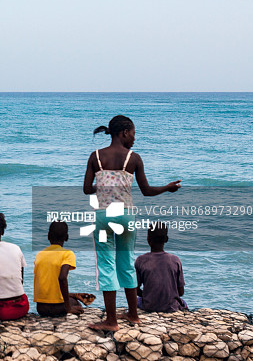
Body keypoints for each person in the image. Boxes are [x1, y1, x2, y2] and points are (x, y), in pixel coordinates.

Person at [84, 115, 181, 331]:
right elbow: (146, 191)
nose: (135, 139)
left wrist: (103, 186)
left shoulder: (95, 156)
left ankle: (111, 321)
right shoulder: (134, 158)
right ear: (125, 132)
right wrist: (168, 188)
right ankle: (133, 314)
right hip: (126, 215)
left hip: (103, 215)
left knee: (106, 265)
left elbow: (86, 189)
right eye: (134, 134)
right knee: (127, 263)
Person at [34, 221, 96, 317]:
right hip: (57, 308)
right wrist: (68, 308)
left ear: (48, 236)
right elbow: (62, 278)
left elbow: (51, 290)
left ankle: (73, 298)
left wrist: (75, 295)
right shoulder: (67, 254)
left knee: (74, 298)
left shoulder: (40, 254)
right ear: (66, 237)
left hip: (41, 308)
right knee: (76, 304)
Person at [135, 222, 187, 312]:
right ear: (166, 239)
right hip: (171, 306)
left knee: (137, 301)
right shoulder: (175, 260)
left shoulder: (141, 260)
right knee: (183, 303)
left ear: (148, 239)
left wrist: (148, 295)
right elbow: (181, 292)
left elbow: (135, 289)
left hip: (149, 305)